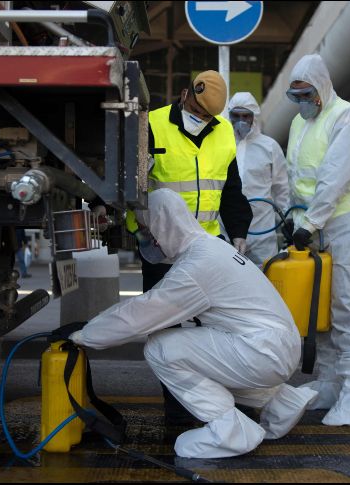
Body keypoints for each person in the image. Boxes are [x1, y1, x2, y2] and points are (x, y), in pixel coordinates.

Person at [68, 189, 317, 458]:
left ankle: (229, 430)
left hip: (264, 351)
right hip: (276, 347)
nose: (147, 237)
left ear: (163, 225)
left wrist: (84, 334)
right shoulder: (211, 247)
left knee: (161, 349)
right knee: (202, 354)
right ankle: (282, 403)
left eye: (147, 229)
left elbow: (142, 314)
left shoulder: (197, 266)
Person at [126, 70, 253, 425]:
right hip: (161, 248)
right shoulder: (151, 126)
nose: (200, 118)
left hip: (205, 248)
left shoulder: (224, 132)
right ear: (185, 95)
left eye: (207, 116)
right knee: (167, 334)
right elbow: (130, 186)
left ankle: (213, 404)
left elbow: (231, 191)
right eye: (196, 110)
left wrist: (239, 232)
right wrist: (138, 229)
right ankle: (178, 414)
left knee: (212, 331)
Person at [285, 53, 350, 426]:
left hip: (343, 222)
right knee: (319, 305)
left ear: (321, 88)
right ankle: (328, 383)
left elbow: (334, 175)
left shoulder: (348, 117)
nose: (301, 103)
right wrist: (292, 217)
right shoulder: (299, 123)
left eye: (306, 95)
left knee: (346, 304)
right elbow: (296, 176)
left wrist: (310, 221)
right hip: (312, 224)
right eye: (295, 97)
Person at [227, 92, 289, 266]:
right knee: (228, 276)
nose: (241, 121)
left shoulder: (270, 147)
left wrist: (286, 221)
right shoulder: (223, 145)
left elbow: (282, 188)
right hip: (228, 229)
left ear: (254, 116)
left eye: (246, 116)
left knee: (266, 275)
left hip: (262, 231)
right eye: (236, 115)